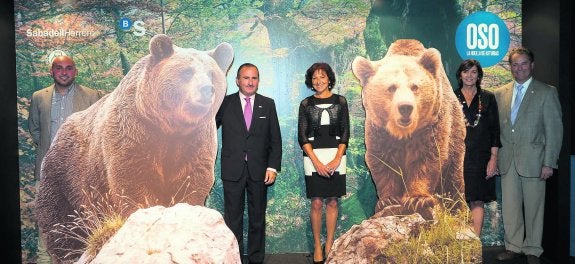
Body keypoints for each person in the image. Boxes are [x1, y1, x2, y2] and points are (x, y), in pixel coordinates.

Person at [494, 47, 562, 264]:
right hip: (507, 161)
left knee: (534, 207)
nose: (519, 68)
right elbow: (496, 131)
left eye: (524, 64)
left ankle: (533, 249)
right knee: (510, 207)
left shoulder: (547, 92)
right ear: (510, 67)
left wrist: (549, 162)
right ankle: (512, 246)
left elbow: (554, 129)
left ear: (532, 65)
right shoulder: (499, 93)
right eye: (515, 64)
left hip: (535, 161)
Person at [215, 63, 282, 264]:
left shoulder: (268, 104)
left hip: (259, 172)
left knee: (257, 219)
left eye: (254, 78)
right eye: (246, 78)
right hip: (232, 170)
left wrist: (272, 167)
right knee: (233, 220)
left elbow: (275, 139)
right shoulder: (224, 103)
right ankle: (234, 259)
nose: (250, 82)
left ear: (258, 81)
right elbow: (208, 129)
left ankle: (255, 260)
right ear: (237, 81)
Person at [297, 63, 349, 264]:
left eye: (322, 77)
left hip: (337, 155)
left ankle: (330, 244)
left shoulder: (341, 102)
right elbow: (302, 137)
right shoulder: (305, 104)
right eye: (314, 78)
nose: (318, 81)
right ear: (311, 81)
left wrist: (337, 158)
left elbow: (345, 133)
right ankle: (318, 245)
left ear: (329, 79)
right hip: (312, 156)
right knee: (317, 201)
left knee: (333, 201)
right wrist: (316, 162)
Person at [29, 55, 102, 182]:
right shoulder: (38, 97)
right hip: (48, 168)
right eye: (59, 68)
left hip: (81, 169)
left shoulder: (92, 96)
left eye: (69, 68)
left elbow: (98, 130)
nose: (64, 73)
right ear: (51, 71)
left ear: (76, 72)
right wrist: (47, 145)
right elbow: (35, 129)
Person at [454, 59, 501, 237]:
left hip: (482, 157)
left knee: (477, 200)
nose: (469, 75)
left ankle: (474, 243)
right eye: (466, 72)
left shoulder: (488, 98)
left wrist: (493, 159)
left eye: (474, 72)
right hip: (457, 157)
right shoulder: (452, 97)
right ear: (460, 75)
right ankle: (459, 246)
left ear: (479, 75)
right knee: (456, 200)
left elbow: (495, 131)